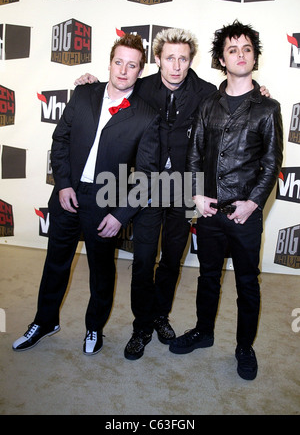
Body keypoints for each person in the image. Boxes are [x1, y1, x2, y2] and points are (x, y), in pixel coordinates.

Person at [75, 28, 270, 361]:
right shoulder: (142, 88)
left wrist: (261, 93)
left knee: (171, 261)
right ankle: (141, 327)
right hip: (145, 187)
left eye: (183, 58)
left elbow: (239, 97)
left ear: (191, 60)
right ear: (157, 60)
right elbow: (113, 87)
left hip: (186, 191)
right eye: (169, 58)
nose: (176, 66)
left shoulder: (207, 93)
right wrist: (89, 85)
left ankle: (160, 316)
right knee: (142, 261)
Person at [12, 34, 160, 355]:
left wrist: (121, 215)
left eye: (131, 65)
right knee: (55, 263)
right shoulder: (83, 94)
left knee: (101, 271)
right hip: (67, 193)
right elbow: (61, 140)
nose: (123, 70)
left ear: (140, 70)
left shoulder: (147, 116)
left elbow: (148, 176)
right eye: (118, 62)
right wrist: (63, 183)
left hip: (106, 202)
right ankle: (45, 320)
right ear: (109, 63)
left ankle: (94, 328)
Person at [169, 21, 283, 381]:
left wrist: (253, 203)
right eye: (233, 49)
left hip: (246, 213)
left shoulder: (267, 108)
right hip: (209, 211)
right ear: (222, 58)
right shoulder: (208, 104)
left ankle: (244, 347)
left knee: (247, 282)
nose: (240, 54)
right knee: (208, 277)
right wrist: (196, 197)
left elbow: (271, 162)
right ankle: (204, 332)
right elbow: (194, 152)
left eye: (247, 48)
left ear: (254, 56)